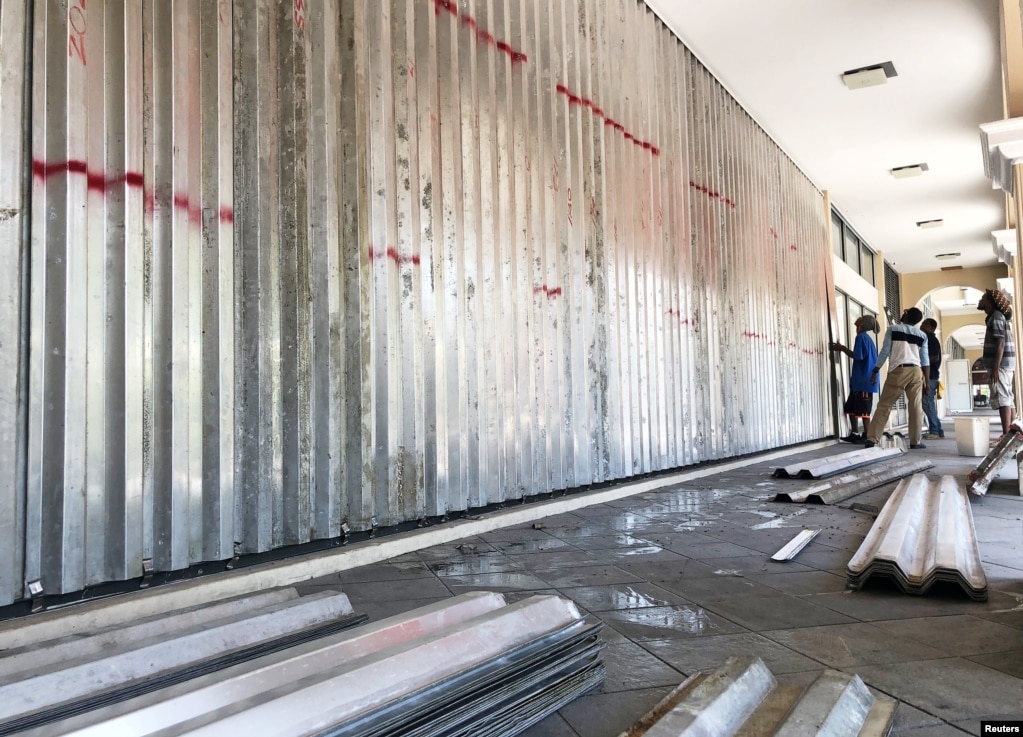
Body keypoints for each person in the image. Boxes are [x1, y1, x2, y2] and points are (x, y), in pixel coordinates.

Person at [863, 307, 930, 449]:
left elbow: (885, 351)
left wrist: (875, 369)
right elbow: (925, 361)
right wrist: (927, 383)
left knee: (884, 405)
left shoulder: (893, 329)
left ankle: (872, 438)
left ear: (905, 315)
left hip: (898, 371)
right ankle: (915, 441)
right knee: (915, 407)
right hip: (917, 372)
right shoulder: (922, 335)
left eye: (904, 312)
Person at [829, 314, 879, 443]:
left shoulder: (861, 337)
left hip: (864, 381)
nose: (857, 318)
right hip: (859, 381)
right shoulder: (865, 338)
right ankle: (855, 433)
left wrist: (842, 348)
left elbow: (858, 356)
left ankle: (868, 436)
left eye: (861, 318)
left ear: (863, 324)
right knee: (850, 408)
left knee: (864, 411)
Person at [978, 288, 1016, 436]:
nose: (980, 300)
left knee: (1003, 399)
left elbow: (1000, 342)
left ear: (990, 301)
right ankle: (1011, 434)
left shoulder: (997, 316)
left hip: (1001, 366)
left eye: (983, 298)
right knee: (1007, 398)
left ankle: (1007, 435)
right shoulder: (996, 317)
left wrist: (995, 368)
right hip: (1004, 365)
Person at [919, 318, 944, 438]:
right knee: (928, 404)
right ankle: (938, 429)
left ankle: (934, 430)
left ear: (931, 328)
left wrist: (921, 358)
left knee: (927, 403)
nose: (922, 326)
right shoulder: (927, 339)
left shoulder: (931, 340)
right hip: (930, 376)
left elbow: (935, 357)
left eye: (925, 324)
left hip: (930, 376)